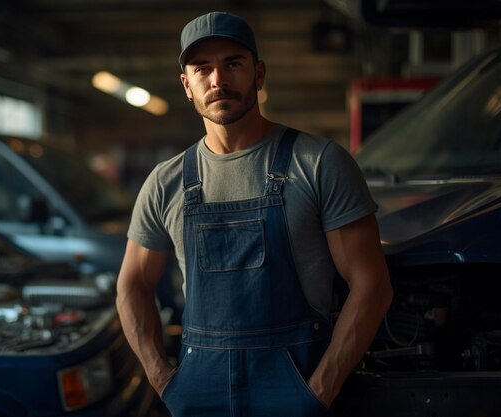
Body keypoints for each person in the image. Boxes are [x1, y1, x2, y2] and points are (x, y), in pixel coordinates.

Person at [116, 11, 393, 417]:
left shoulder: (318, 163)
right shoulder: (165, 182)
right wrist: (165, 382)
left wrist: (319, 391)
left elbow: (372, 285)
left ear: (259, 73)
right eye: (202, 69)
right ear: (186, 86)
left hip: (297, 386)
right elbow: (132, 286)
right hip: (198, 394)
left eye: (233, 63)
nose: (218, 80)